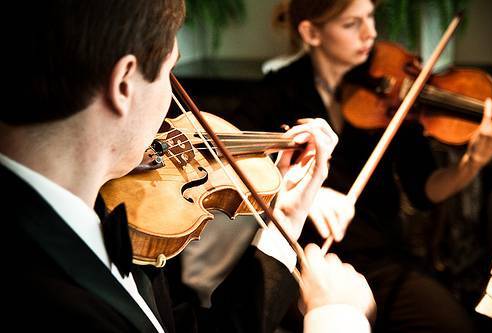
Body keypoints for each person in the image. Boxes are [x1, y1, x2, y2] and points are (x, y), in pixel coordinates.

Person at [1, 1, 376, 332]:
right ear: (124, 85)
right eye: (169, 73)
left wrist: (285, 218)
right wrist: (337, 320)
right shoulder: (45, 295)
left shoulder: (112, 208)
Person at [232, 0, 492, 332]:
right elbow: (230, 157)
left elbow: (424, 190)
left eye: (371, 17)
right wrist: (308, 195)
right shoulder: (276, 93)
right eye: (351, 24)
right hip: (306, 265)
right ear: (311, 32)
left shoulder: (392, 88)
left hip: (381, 260)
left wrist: (472, 163)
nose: (370, 33)